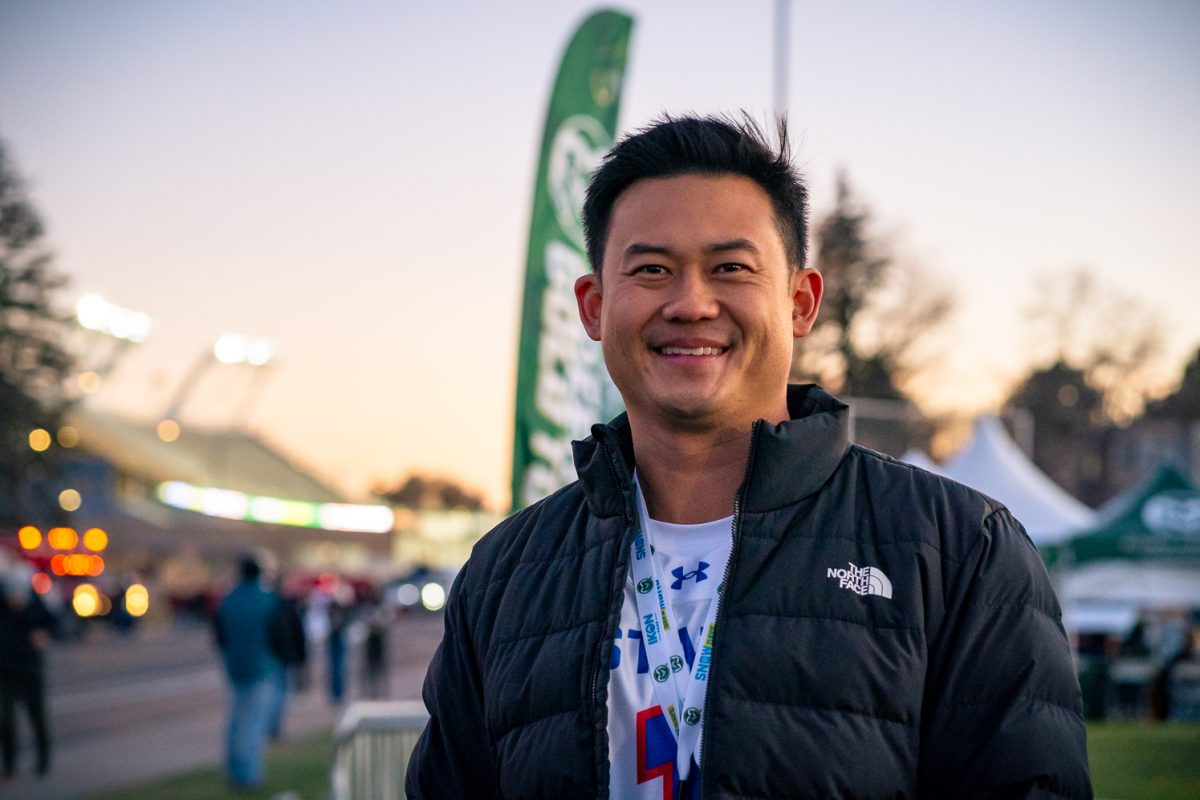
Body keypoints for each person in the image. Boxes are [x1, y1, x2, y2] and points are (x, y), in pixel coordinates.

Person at [406, 114, 1092, 798]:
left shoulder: (957, 551)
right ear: (593, 305)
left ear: (799, 302)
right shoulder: (505, 576)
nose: (690, 303)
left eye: (730, 268)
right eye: (651, 270)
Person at [214, 553, 279, 790]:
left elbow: (219, 634)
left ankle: (235, 770)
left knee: (235, 720)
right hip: (262, 667)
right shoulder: (266, 600)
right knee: (252, 724)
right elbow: (277, 634)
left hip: (235, 667)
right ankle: (248, 776)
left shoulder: (228, 600)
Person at [0, 562, 55, 779]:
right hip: (5, 671)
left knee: (38, 717)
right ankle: (10, 765)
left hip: (31, 669)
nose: (16, 600)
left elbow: (54, 623)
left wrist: (43, 635)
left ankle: (43, 762)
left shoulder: (35, 605)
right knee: (6, 721)